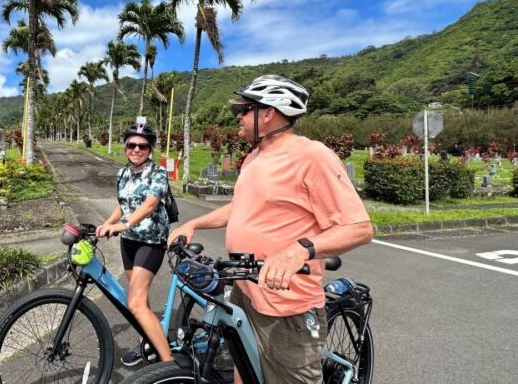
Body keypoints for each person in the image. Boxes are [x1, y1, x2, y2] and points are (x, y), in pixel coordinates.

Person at [167, 75, 373, 383]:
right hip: (246, 290)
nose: (238, 114)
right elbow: (241, 207)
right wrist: (194, 223)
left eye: (245, 108)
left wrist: (299, 250)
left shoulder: (311, 156)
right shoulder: (255, 156)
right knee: (243, 371)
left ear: (268, 113)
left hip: (286, 307)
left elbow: (359, 228)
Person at [97, 123, 174, 367]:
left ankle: (168, 365)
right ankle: (147, 343)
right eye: (132, 145)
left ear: (149, 149)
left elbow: (150, 204)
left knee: (136, 303)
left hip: (151, 242)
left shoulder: (158, 173)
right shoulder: (122, 173)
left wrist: (124, 224)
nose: (137, 149)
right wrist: (106, 224)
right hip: (129, 243)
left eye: (142, 146)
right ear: (125, 148)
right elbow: (123, 204)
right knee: (139, 299)